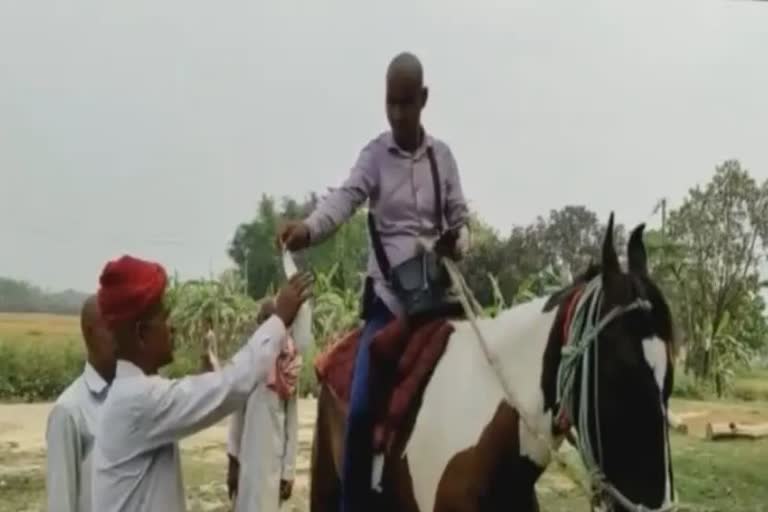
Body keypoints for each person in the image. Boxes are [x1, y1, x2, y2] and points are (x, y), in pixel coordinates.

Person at [278, 52, 470, 511]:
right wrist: (307, 229)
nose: (399, 114)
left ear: (424, 99)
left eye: (407, 102)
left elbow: (464, 224)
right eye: (391, 103)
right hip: (388, 305)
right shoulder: (375, 156)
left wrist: (455, 243)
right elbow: (343, 201)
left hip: (439, 300)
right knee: (361, 408)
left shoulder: (442, 158)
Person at [90, 255, 312, 512]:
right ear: (141, 333)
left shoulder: (136, 394)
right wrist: (278, 321)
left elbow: (214, 390)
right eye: (163, 318)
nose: (171, 327)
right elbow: (230, 386)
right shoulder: (138, 400)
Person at [225, 298, 301, 512]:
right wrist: (233, 461)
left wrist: (289, 471)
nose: (266, 325)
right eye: (263, 319)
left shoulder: (290, 367)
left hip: (273, 466)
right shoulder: (247, 364)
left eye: (271, 319)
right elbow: (236, 415)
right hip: (246, 459)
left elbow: (292, 424)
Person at [45, 295, 116, 512]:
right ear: (90, 332)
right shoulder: (70, 410)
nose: (121, 338)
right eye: (111, 328)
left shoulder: (131, 397)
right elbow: (61, 501)